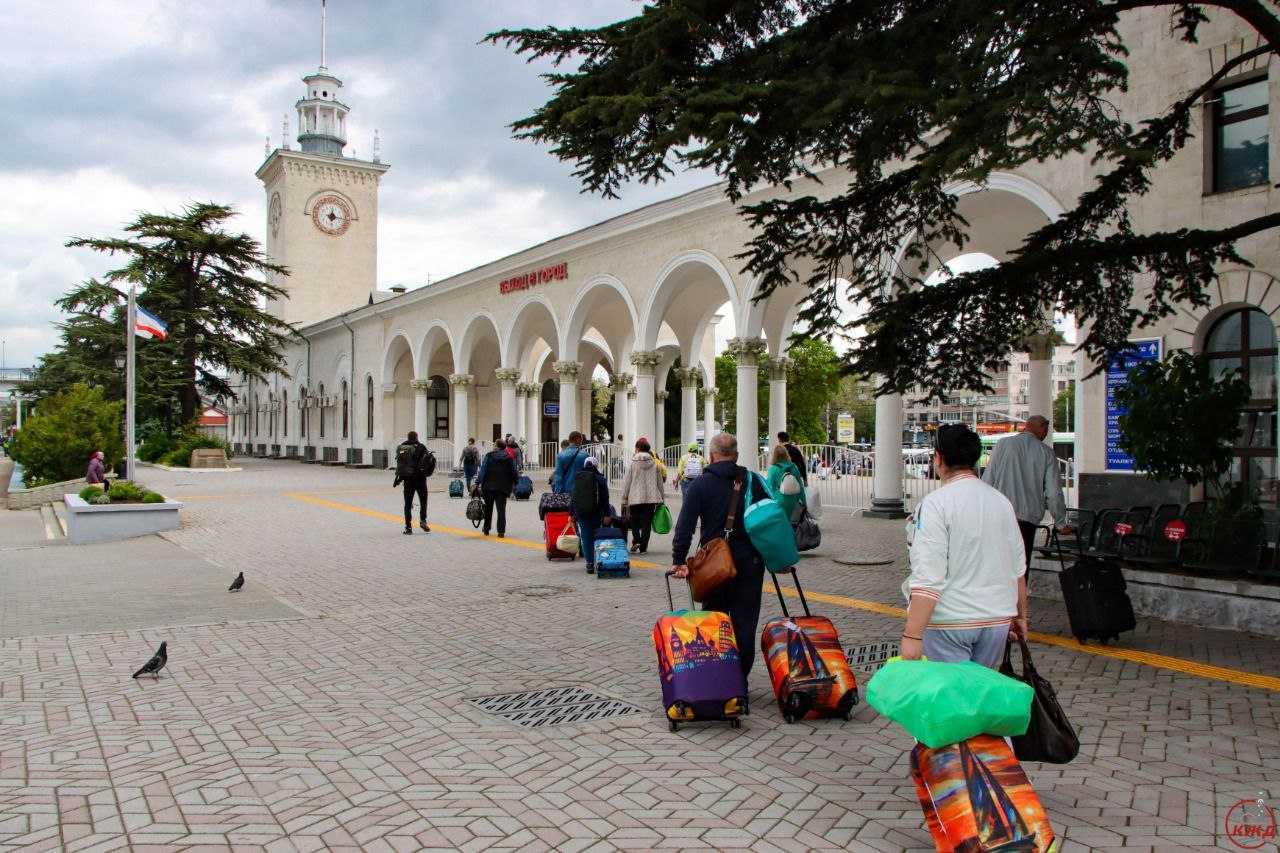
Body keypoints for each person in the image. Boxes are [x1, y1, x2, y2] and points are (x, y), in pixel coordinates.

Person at [901, 424, 1027, 668]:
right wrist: (1021, 616)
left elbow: (929, 576)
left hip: (950, 622)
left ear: (938, 458)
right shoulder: (1001, 502)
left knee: (951, 701)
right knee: (980, 699)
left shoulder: (936, 504)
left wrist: (912, 635)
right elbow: (1017, 569)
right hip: (996, 620)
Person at [670, 433, 772, 681]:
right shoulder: (754, 480)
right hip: (749, 562)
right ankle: (739, 680)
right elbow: (771, 520)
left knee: (714, 621)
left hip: (714, 565)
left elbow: (685, 526)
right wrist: (779, 559)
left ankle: (717, 681)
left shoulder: (701, 485)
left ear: (711, 456)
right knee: (744, 624)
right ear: (736, 456)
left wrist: (679, 560)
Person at [982, 415, 1073, 569]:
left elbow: (987, 481)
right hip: (1027, 519)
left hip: (999, 516)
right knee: (1020, 568)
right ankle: (1019, 593)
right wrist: (1060, 522)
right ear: (1042, 428)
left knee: (997, 567)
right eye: (1046, 430)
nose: (1046, 435)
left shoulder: (1002, 444)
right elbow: (1054, 492)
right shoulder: (1046, 452)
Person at [620, 438, 665, 554]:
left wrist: (624, 498)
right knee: (647, 523)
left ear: (638, 448)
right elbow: (660, 482)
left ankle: (636, 541)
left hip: (635, 497)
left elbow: (627, 482)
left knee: (634, 520)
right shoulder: (655, 463)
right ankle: (644, 547)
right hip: (651, 498)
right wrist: (662, 497)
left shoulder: (632, 463)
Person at [570, 456, 611, 573]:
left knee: (586, 537)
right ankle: (601, 559)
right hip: (596, 512)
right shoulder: (600, 479)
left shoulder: (578, 478)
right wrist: (607, 514)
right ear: (596, 465)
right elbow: (605, 499)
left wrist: (570, 513)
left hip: (581, 512)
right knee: (597, 535)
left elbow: (573, 497)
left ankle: (589, 563)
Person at [476, 438, 518, 537]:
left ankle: (486, 529)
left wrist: (478, 482)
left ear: (497, 447)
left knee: (488, 509)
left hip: (488, 487)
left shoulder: (489, 456)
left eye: (494, 445)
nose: (493, 446)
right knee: (501, 510)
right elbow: (513, 471)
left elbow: (483, 470)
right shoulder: (508, 458)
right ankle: (501, 531)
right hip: (502, 488)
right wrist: (516, 481)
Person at [393, 431, 430, 535]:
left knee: (408, 504)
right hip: (420, 479)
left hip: (407, 479)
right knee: (423, 500)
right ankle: (423, 520)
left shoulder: (402, 447)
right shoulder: (421, 447)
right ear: (416, 437)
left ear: (408, 437)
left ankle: (408, 527)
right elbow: (427, 461)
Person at [765, 443, 806, 523]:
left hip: (779, 500)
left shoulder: (772, 469)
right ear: (786, 454)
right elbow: (800, 485)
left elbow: (770, 487)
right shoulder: (793, 466)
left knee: (781, 524)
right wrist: (804, 501)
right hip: (793, 500)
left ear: (774, 456)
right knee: (791, 523)